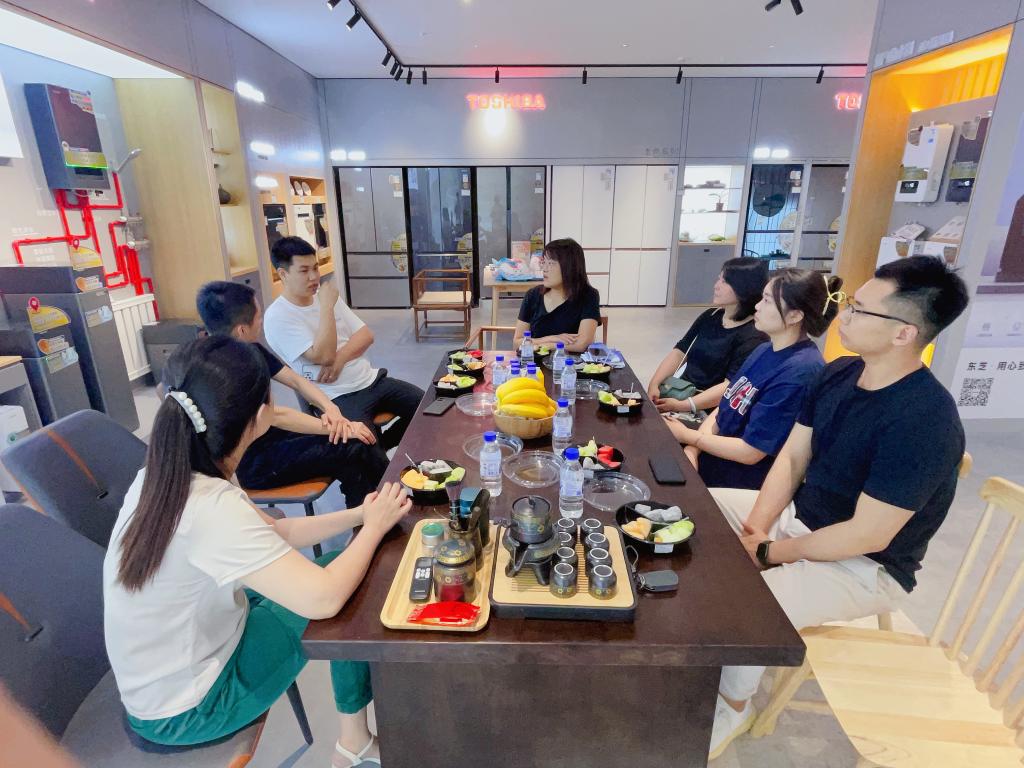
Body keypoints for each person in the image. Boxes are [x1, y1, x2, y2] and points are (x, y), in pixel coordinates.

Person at [103, 336, 411, 766]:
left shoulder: (169, 472)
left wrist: (360, 515)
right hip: (191, 708)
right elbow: (324, 599)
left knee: (347, 569)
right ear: (262, 413)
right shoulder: (211, 507)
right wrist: (373, 531)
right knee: (354, 591)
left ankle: (354, 737)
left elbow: (277, 533)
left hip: (167, 678)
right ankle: (353, 742)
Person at [708, 256, 970, 760]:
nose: (843, 315)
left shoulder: (925, 421)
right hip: (803, 521)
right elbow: (793, 457)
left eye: (859, 309)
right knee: (700, 509)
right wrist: (756, 530)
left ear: (903, 334)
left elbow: (867, 535)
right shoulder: (840, 373)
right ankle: (701, 645)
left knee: (757, 605)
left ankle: (733, 706)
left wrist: (768, 553)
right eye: (850, 303)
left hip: (866, 565)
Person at [196, 281, 388, 497]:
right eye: (258, 318)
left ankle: (379, 505)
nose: (261, 322)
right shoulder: (226, 372)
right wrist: (343, 427)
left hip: (269, 435)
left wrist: (329, 407)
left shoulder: (246, 349)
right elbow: (277, 416)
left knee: (351, 447)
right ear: (241, 330)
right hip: (255, 463)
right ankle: (381, 507)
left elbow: (295, 380)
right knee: (353, 444)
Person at [665, 268, 842, 490]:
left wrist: (690, 438)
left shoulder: (800, 371)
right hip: (713, 451)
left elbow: (751, 452)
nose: (757, 306)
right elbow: (724, 409)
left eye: (767, 301)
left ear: (795, 315)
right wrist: (692, 449)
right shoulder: (764, 349)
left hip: (741, 477)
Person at [263, 236, 424, 451]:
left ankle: (381, 447)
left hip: (370, 380)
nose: (314, 277)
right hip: (335, 396)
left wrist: (340, 360)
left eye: (315, 268)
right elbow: (323, 356)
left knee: (427, 408)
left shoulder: (325, 297)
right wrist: (326, 307)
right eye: (304, 271)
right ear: (283, 274)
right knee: (364, 445)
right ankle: (374, 455)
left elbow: (366, 336)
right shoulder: (278, 316)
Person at [647, 257, 769, 422]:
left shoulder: (753, 335)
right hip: (681, 393)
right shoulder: (711, 315)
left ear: (744, 287)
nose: (716, 286)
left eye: (724, 282)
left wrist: (684, 405)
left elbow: (731, 386)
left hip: (710, 410)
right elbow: (680, 351)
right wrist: (655, 383)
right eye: (718, 279)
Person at [512, 238, 601, 354]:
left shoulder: (588, 296)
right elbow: (517, 342)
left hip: (571, 363)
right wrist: (551, 338)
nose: (544, 269)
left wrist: (547, 345)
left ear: (569, 267)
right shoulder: (533, 295)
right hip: (534, 363)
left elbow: (582, 344)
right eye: (544, 262)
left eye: (551, 263)